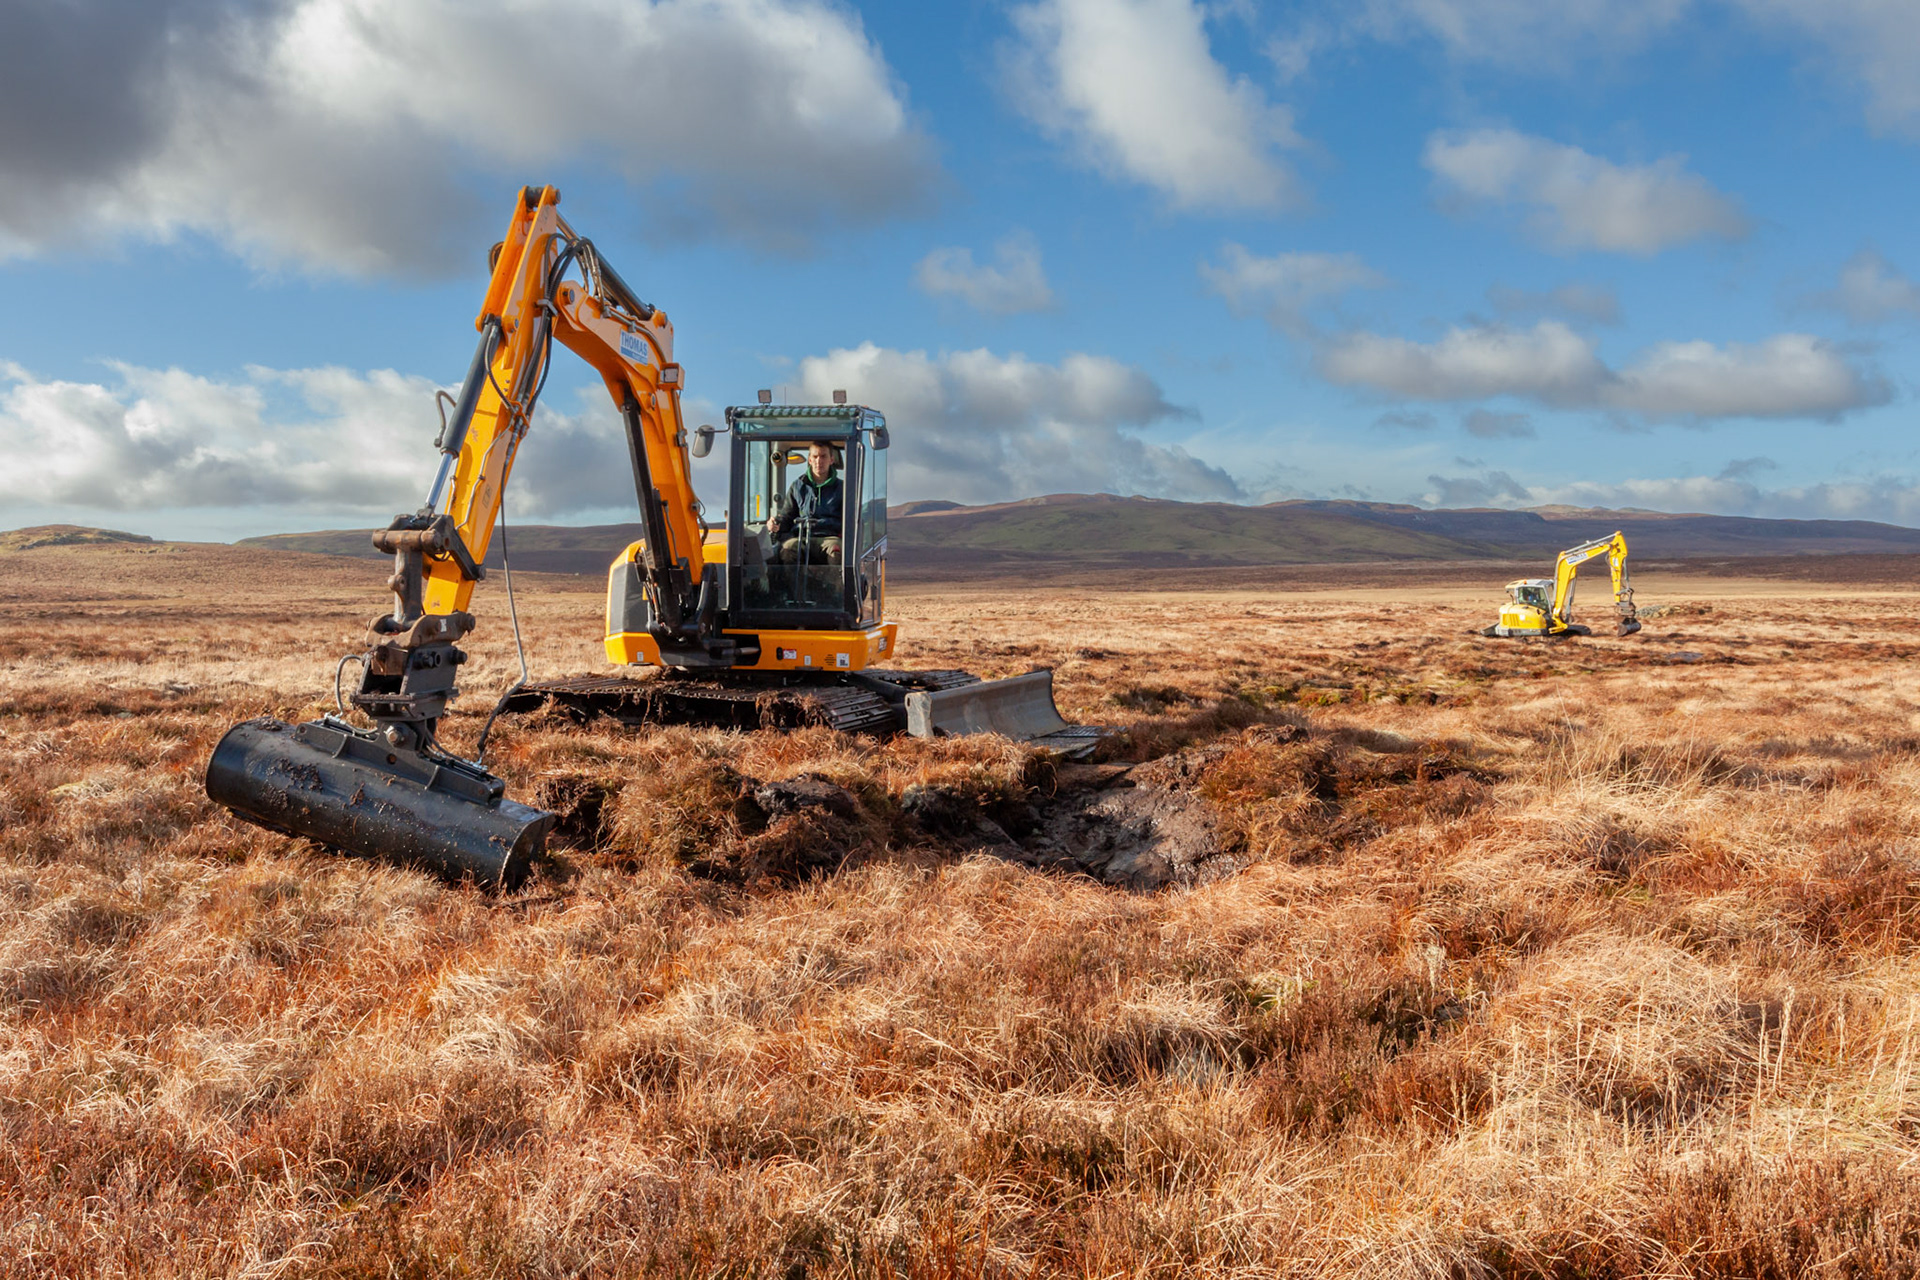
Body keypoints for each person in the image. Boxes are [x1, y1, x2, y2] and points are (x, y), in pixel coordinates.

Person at [768, 440, 844, 566]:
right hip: (801, 537)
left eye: (823, 456)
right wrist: (776, 523)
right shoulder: (797, 486)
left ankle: (836, 585)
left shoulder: (842, 488)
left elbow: (850, 520)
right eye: (815, 457)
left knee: (836, 551)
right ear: (809, 460)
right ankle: (791, 586)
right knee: (788, 549)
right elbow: (787, 516)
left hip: (830, 537)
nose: (818, 461)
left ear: (831, 460)